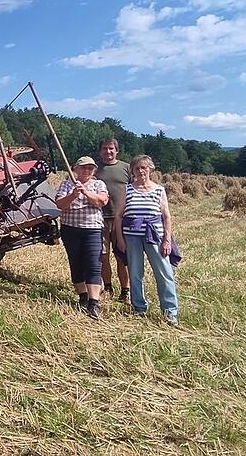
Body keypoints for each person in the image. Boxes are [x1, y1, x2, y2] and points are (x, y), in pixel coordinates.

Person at [115, 154, 179, 326]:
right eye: (137, 168)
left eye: (144, 167)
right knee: (135, 273)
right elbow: (119, 216)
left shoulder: (159, 190)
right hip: (132, 237)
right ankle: (139, 307)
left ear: (150, 169)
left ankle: (170, 311)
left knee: (164, 273)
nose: (141, 171)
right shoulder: (127, 189)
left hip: (155, 236)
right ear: (132, 171)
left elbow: (166, 217)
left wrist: (166, 240)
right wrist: (120, 239)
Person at [54, 156, 109, 319]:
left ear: (94, 171)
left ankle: (94, 303)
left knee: (93, 263)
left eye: (90, 168)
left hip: (92, 230)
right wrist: (73, 194)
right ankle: (83, 297)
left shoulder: (99, 184)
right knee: (76, 262)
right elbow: (60, 204)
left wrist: (85, 192)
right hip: (70, 230)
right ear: (76, 169)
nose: (87, 171)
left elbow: (101, 201)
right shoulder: (66, 184)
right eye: (84, 168)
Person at [96, 138, 130, 302]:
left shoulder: (126, 168)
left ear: (117, 150)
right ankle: (108, 287)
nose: (108, 151)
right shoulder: (94, 169)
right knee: (103, 256)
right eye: (104, 148)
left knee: (121, 257)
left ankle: (126, 290)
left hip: (120, 220)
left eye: (111, 148)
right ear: (100, 151)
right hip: (99, 219)